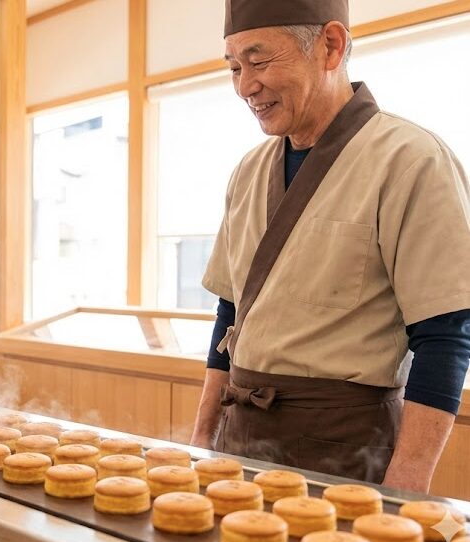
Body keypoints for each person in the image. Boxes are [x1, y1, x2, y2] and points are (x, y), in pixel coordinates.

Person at [189, 0, 470, 491]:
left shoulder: (411, 160)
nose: (244, 86)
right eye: (234, 67)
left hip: (345, 450)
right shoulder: (249, 170)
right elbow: (228, 312)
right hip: (241, 440)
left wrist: (403, 490)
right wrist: (200, 441)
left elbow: (445, 337)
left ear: (331, 46)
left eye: (258, 61)